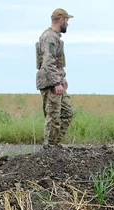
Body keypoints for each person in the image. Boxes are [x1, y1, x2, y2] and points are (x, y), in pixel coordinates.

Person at [36, 8, 74, 149]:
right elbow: (48, 61)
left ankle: (54, 146)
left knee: (66, 113)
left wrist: (62, 78)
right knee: (53, 117)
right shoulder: (50, 37)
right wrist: (56, 82)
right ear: (61, 20)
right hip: (50, 83)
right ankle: (49, 149)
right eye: (67, 21)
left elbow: (56, 62)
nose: (67, 24)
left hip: (55, 81)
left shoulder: (55, 37)